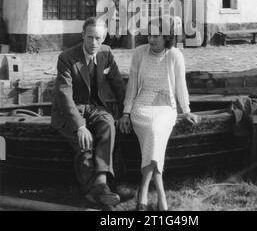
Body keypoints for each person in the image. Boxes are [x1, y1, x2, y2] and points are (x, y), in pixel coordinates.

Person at [119, 16, 199, 211]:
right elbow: (132, 86)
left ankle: (144, 189)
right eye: (149, 35)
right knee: (153, 132)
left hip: (165, 106)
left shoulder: (175, 55)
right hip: (142, 105)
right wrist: (126, 112)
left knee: (155, 131)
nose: (151, 39)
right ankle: (161, 193)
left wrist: (186, 110)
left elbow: (181, 86)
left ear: (167, 37)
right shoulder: (139, 53)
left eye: (156, 35)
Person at [51, 17, 125, 208]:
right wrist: (80, 126)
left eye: (98, 38)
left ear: (105, 38)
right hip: (70, 111)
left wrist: (127, 113)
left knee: (108, 124)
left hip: (94, 107)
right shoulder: (67, 58)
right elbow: (63, 95)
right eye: (90, 37)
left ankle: (100, 184)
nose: (94, 43)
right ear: (82, 35)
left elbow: (117, 84)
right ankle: (96, 193)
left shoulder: (106, 53)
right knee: (85, 145)